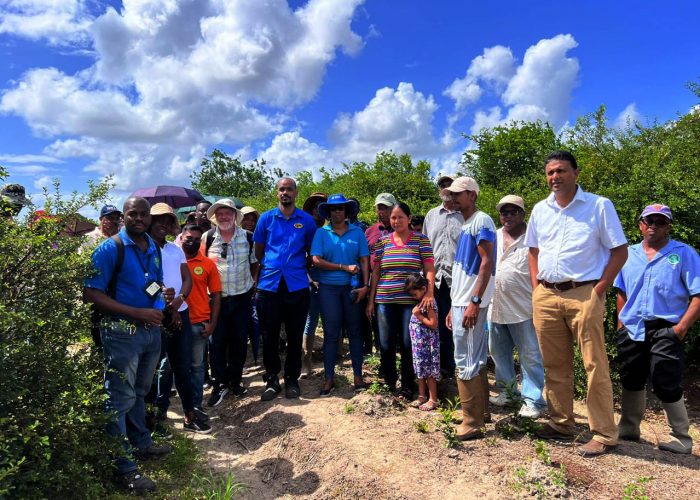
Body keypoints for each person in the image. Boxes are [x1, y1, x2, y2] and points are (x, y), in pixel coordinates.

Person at [526, 150, 628, 457]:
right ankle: (561, 422)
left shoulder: (598, 205)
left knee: (594, 364)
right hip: (546, 294)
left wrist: (598, 290)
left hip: (584, 293)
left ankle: (604, 433)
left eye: (561, 171)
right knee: (554, 364)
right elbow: (533, 250)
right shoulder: (540, 209)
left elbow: (619, 251)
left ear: (576, 173)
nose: (554, 177)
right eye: (550, 173)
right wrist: (536, 289)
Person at [83, 197, 174, 493]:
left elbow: (154, 285)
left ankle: (141, 443)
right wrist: (136, 312)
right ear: (124, 217)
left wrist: (163, 299)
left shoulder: (152, 246)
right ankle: (125, 469)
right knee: (119, 398)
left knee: (138, 391)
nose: (138, 218)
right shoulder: (111, 248)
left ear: (149, 217)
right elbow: (90, 293)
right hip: (122, 332)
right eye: (132, 213)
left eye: (142, 214)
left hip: (150, 331)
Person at [615, 204, 700, 454]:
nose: (653, 225)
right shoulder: (628, 254)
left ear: (668, 226)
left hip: (666, 326)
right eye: (649, 220)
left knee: (666, 379)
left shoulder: (684, 254)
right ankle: (629, 428)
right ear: (640, 224)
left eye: (660, 222)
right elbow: (621, 291)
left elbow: (697, 294)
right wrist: (621, 323)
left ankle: (681, 437)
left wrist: (681, 327)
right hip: (632, 326)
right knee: (631, 377)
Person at [146, 203, 209, 434]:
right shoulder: (144, 249)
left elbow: (187, 280)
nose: (163, 224)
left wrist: (178, 302)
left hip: (180, 312)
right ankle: (153, 418)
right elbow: (149, 284)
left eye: (167, 220)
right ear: (150, 221)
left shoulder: (175, 249)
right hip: (154, 316)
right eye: (158, 219)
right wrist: (168, 307)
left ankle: (189, 414)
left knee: (182, 367)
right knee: (152, 367)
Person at [254, 178, 317, 400]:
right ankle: (272, 381)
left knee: (294, 334)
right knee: (269, 336)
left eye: (289, 189)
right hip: (269, 284)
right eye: (281, 189)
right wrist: (274, 265)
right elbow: (259, 251)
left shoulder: (307, 221)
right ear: (277, 193)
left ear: (296, 193)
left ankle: (291, 380)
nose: (285, 193)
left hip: (297, 285)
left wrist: (295, 266)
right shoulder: (266, 218)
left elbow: (311, 251)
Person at [444, 177, 496, 440]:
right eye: (451, 194)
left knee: (467, 357)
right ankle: (478, 411)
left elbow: (487, 262)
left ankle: (472, 421)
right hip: (461, 300)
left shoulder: (482, 221)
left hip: (471, 301)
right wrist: (454, 304)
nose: (452, 198)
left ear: (472, 195)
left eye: (458, 194)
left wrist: (474, 302)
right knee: (468, 354)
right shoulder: (467, 223)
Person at [367, 201, 435, 401]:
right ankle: (389, 382)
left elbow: (429, 269)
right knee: (386, 344)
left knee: (407, 344)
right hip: (385, 299)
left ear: (408, 218)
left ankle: (407, 385)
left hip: (410, 302)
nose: (396, 221)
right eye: (393, 218)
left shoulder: (421, 240)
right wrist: (371, 300)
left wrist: (429, 293)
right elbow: (376, 271)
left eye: (400, 217)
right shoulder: (383, 242)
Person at [488, 195, 546, 418]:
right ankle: (508, 392)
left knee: (530, 354)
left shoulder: (533, 238)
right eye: (504, 212)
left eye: (513, 212)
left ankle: (533, 400)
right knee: (498, 352)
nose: (508, 216)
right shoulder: (493, 236)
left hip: (524, 306)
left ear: (523, 214)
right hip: (495, 305)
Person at [310, 194, 370, 396]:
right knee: (331, 334)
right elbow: (316, 260)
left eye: (340, 208)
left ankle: (358, 377)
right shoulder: (321, 233)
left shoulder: (357, 232)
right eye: (333, 209)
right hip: (329, 289)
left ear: (346, 211)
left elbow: (364, 260)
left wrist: (366, 285)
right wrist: (343, 267)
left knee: (355, 332)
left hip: (352, 289)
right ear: (328, 212)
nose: (337, 212)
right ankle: (328, 378)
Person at [204, 199, 258, 407]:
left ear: (235, 216)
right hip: (216, 300)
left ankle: (235, 381)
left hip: (241, 298)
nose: (224, 217)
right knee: (217, 343)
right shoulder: (208, 238)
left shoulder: (248, 238)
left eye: (228, 213)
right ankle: (219, 384)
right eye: (220, 214)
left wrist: (252, 284)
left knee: (238, 341)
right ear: (215, 218)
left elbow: (255, 264)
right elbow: (201, 267)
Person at [422, 174, 463, 379]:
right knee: (436, 324)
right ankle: (441, 368)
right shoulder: (431, 215)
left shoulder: (465, 215)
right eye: (442, 185)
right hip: (435, 279)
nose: (446, 188)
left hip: (459, 279)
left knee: (458, 324)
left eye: (449, 185)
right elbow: (424, 246)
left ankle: (457, 367)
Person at [180, 224, 222, 426]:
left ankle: (196, 406)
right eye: (189, 237)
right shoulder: (170, 260)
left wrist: (212, 323)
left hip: (198, 324)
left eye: (197, 239)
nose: (193, 241)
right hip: (175, 324)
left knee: (197, 368)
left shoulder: (207, 264)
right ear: (181, 238)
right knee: (171, 368)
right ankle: (165, 410)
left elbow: (216, 295)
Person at [364, 193, 398, 355]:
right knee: (379, 324)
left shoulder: (403, 229)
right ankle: (383, 358)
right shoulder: (370, 232)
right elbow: (363, 259)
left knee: (398, 325)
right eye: (379, 207)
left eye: (386, 207)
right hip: (376, 285)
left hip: (399, 286)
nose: (382, 211)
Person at [300, 192, 327, 378]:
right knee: (311, 320)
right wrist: (310, 280)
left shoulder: (329, 231)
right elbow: (299, 259)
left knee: (330, 319)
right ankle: (306, 362)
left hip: (329, 278)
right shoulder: (303, 231)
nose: (318, 209)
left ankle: (330, 358)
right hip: (310, 279)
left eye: (321, 206)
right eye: (315, 206)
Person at [405, 273, 440, 411]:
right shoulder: (420, 302)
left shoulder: (428, 303)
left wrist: (418, 315)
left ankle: (433, 399)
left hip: (427, 344)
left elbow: (433, 324)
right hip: (419, 345)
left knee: (429, 372)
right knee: (420, 370)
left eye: (414, 294)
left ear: (424, 289)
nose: (413, 298)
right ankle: (421, 395)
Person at [239, 205, 261, 364]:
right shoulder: (234, 237)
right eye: (246, 218)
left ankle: (256, 357)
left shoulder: (258, 238)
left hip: (253, 286)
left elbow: (258, 263)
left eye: (253, 219)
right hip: (235, 288)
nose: (250, 222)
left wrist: (255, 281)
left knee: (255, 323)